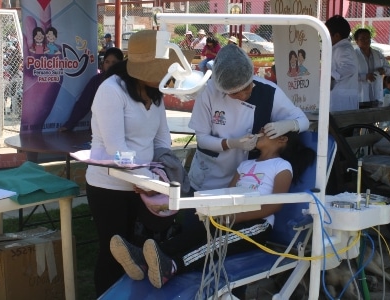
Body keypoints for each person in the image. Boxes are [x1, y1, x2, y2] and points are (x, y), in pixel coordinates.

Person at [109, 129, 316, 288]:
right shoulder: (245, 165)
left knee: (215, 243)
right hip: (230, 218)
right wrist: (217, 212)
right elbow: (227, 194)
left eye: (267, 131)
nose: (260, 132)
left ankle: (172, 267)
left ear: (283, 139)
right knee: (195, 233)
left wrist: (238, 217)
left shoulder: (281, 166)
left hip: (257, 225)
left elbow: (274, 204)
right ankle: (143, 259)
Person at [85, 30, 194, 297]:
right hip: (108, 186)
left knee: (142, 251)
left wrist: (161, 172)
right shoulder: (111, 91)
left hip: (144, 186)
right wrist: (144, 177)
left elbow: (162, 141)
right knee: (113, 250)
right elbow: (116, 150)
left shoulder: (155, 95)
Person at [186, 44, 309, 193]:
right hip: (209, 173)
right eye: (234, 94)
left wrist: (289, 124)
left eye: (246, 88)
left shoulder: (269, 92)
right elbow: (202, 139)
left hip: (245, 179)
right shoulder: (209, 91)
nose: (243, 95)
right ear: (222, 89)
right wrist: (231, 143)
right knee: (197, 213)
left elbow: (303, 121)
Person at [59, 47, 124, 131]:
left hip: (122, 128)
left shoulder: (127, 82)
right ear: (103, 63)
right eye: (107, 62)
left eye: (114, 62)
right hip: (99, 129)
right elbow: (83, 104)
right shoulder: (96, 80)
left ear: (121, 64)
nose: (110, 65)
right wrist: (69, 125)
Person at [325, 15, 359, 112]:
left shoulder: (342, 49)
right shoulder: (341, 47)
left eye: (327, 34)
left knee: (339, 125)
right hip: (343, 95)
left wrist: (330, 75)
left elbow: (349, 68)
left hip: (342, 98)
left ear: (336, 36)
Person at [354, 28, 390, 109]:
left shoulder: (378, 54)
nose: (366, 41)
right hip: (360, 95)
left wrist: (384, 70)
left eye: (368, 38)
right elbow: (348, 75)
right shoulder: (353, 55)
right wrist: (365, 77)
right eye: (362, 39)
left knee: (374, 118)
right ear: (356, 41)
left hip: (376, 94)